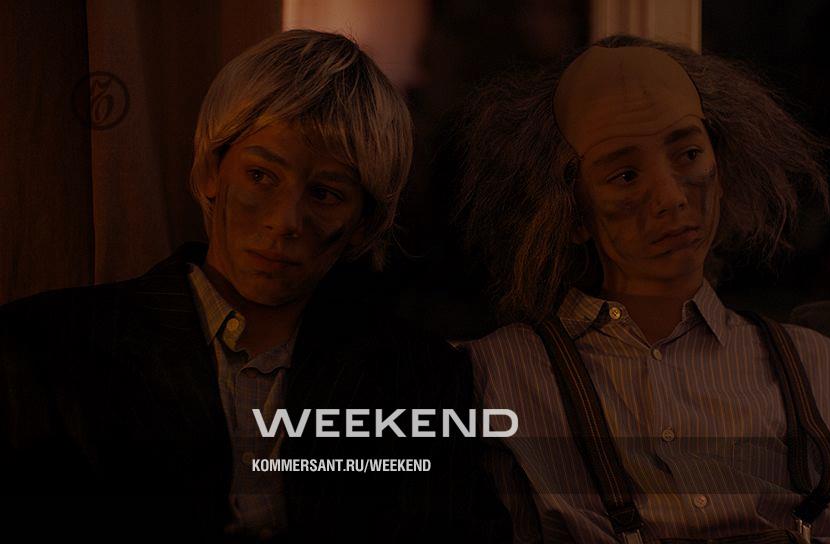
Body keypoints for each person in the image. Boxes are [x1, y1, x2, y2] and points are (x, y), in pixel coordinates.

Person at [0, 30, 507, 542]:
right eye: (261, 176)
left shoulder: (416, 375)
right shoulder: (49, 348)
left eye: (325, 194)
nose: (285, 221)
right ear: (210, 171)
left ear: (362, 224)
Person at [456, 35, 830, 543]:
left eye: (689, 153)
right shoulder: (501, 378)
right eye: (625, 175)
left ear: (723, 164)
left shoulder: (825, 373)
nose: (671, 197)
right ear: (571, 211)